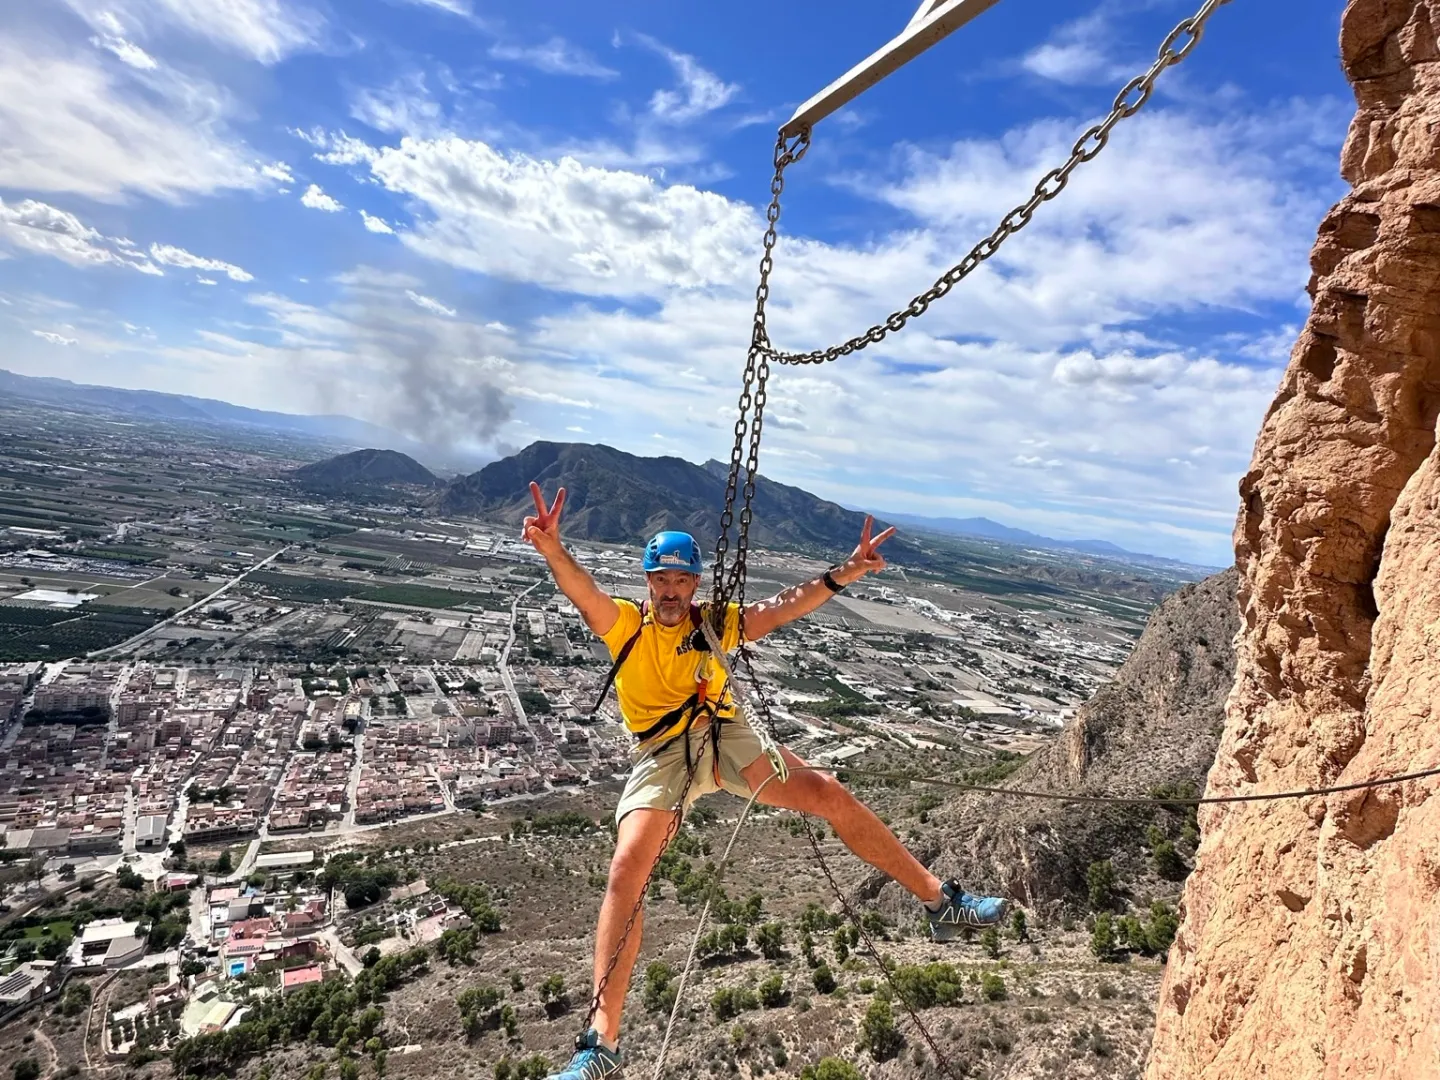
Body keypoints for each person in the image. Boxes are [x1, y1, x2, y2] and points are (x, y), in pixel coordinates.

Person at [520, 482, 1007, 1080]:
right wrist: (553, 550)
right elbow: (583, 593)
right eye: (660, 580)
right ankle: (600, 1047)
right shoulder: (626, 625)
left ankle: (942, 902)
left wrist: (845, 574)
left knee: (826, 792)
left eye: (680, 581)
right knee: (628, 866)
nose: (670, 591)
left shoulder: (715, 624)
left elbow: (781, 608)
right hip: (665, 751)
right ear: (647, 583)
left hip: (725, 736)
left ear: (694, 585)